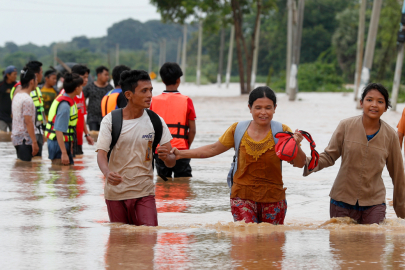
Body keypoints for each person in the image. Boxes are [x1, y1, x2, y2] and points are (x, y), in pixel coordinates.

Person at [171, 87, 306, 224]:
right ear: (250, 108)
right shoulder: (238, 130)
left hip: (274, 199)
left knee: (271, 243)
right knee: (245, 240)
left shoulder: (282, 132)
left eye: (268, 108)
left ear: (275, 108)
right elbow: (213, 149)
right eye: (258, 108)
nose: (263, 112)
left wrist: (295, 145)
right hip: (242, 197)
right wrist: (180, 153)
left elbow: (300, 163)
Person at [304, 83, 405, 224]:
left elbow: (398, 174)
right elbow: (329, 156)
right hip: (341, 201)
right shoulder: (346, 126)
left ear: (386, 107)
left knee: (374, 242)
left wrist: (402, 212)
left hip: (374, 203)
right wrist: (303, 161)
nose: (374, 105)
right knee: (342, 244)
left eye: (380, 101)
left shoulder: (391, 136)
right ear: (361, 102)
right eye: (369, 100)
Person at [96, 70, 175, 226]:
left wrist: (167, 157)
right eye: (144, 91)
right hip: (115, 194)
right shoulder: (111, 121)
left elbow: (171, 162)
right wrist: (107, 173)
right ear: (129, 95)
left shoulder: (155, 121)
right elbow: (101, 154)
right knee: (120, 244)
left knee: (148, 239)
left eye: (151, 90)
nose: (149, 95)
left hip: (144, 193)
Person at [150, 62, 197, 178]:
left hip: (160, 150)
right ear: (178, 80)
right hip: (181, 149)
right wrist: (187, 146)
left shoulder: (153, 101)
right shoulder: (186, 100)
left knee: (162, 185)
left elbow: (149, 128)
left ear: (162, 80)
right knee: (183, 185)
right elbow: (193, 130)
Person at [45, 73, 83, 165]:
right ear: (76, 89)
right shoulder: (65, 106)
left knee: (65, 175)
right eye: (81, 86)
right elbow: (58, 130)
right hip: (58, 145)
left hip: (60, 143)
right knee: (61, 175)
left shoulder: (66, 99)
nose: (82, 88)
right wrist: (64, 153)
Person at [11, 61, 45, 157]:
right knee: (28, 166)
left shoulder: (21, 95)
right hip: (26, 138)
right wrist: (34, 141)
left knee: (26, 168)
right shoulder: (25, 97)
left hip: (22, 135)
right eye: (41, 72)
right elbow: (28, 121)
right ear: (32, 80)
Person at [60, 65, 94, 155]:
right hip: (69, 137)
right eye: (84, 77)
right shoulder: (66, 94)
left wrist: (87, 134)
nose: (86, 80)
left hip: (78, 137)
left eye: (87, 77)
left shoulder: (80, 92)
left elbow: (81, 115)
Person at [83, 65, 113, 131]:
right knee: (94, 137)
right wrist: (85, 107)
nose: (107, 77)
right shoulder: (90, 86)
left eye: (108, 75)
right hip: (92, 117)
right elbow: (83, 97)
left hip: (105, 118)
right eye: (105, 75)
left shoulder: (110, 88)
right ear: (99, 75)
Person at [0, 65, 17, 132]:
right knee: (2, 136)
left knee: (15, 135)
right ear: (8, 75)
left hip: (13, 117)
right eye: (14, 74)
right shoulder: (1, 85)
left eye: (16, 74)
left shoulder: (17, 86)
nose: (16, 76)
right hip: (1, 117)